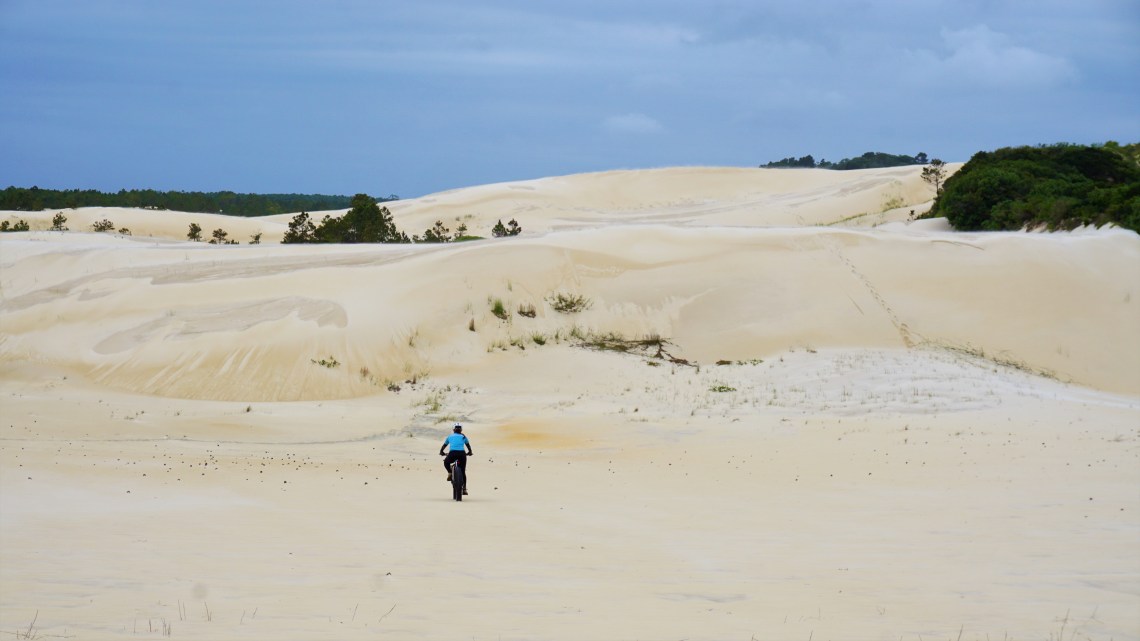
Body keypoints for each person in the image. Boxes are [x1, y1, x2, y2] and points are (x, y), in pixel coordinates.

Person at [439, 423, 473, 494]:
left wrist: (441, 452)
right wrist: (469, 452)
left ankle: (450, 472)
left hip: (452, 453)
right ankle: (464, 489)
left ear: (453, 429)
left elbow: (444, 445)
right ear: (461, 429)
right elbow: (468, 447)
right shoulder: (464, 437)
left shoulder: (450, 436)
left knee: (446, 462)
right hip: (462, 454)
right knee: (463, 472)